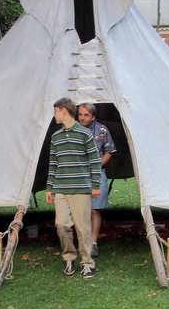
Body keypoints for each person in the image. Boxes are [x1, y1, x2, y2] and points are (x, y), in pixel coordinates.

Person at [45, 97, 101, 279]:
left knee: (83, 228)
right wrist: (49, 187)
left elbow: (94, 161)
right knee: (61, 225)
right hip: (60, 188)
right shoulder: (55, 137)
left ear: (63, 111)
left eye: (55, 111)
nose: (54, 115)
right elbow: (53, 163)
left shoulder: (85, 134)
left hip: (80, 188)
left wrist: (96, 184)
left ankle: (87, 263)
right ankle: (69, 257)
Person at [77, 103, 116, 258]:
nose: (82, 118)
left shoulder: (102, 130)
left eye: (86, 115)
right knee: (80, 210)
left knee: (94, 210)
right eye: (80, 114)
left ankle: (93, 243)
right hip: (77, 174)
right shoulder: (72, 130)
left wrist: (97, 165)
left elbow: (109, 151)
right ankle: (82, 241)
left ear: (93, 117)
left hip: (97, 173)